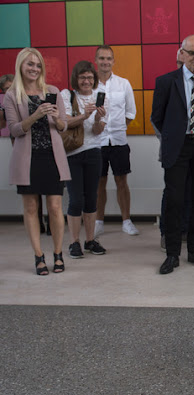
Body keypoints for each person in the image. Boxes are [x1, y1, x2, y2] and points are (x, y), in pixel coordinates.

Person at [151, 34, 194, 274]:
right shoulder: (166, 81)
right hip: (177, 149)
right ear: (182, 54)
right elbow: (157, 117)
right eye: (192, 53)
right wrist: (174, 138)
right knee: (174, 201)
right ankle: (172, 254)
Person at [4, 48, 70, 275]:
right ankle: (39, 256)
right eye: (30, 64)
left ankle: (58, 254)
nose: (34, 69)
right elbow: (13, 129)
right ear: (21, 66)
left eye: (38, 65)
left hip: (52, 157)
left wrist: (55, 118)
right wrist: (35, 115)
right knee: (31, 208)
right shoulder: (12, 95)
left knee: (54, 207)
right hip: (27, 159)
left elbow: (63, 127)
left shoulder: (52, 91)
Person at [61, 61, 108, 258]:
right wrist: (84, 115)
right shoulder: (67, 95)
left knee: (91, 198)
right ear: (76, 79)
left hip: (94, 152)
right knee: (75, 199)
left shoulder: (101, 98)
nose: (86, 81)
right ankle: (74, 242)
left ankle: (90, 240)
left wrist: (97, 119)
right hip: (73, 153)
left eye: (89, 77)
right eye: (82, 77)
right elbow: (62, 123)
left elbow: (98, 131)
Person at [93, 45, 139, 237]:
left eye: (109, 58)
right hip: (96, 141)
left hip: (119, 141)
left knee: (122, 181)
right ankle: (98, 221)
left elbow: (130, 113)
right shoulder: (89, 85)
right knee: (99, 182)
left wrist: (117, 127)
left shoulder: (124, 84)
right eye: (102, 58)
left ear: (113, 61)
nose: (105, 62)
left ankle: (126, 221)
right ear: (96, 60)